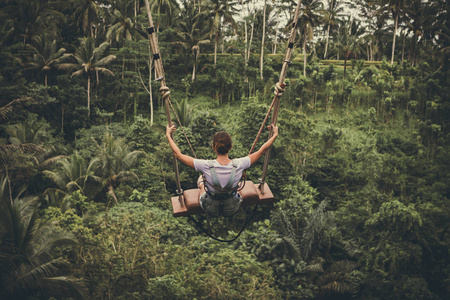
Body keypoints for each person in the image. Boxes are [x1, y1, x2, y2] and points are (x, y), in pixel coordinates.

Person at [166, 124, 279, 217]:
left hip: (210, 208)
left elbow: (178, 155)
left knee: (201, 180)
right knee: (235, 183)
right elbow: (262, 151)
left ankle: (202, 186)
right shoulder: (240, 164)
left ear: (213, 147)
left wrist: (168, 135)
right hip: (233, 207)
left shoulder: (205, 165)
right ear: (230, 147)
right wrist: (274, 135)